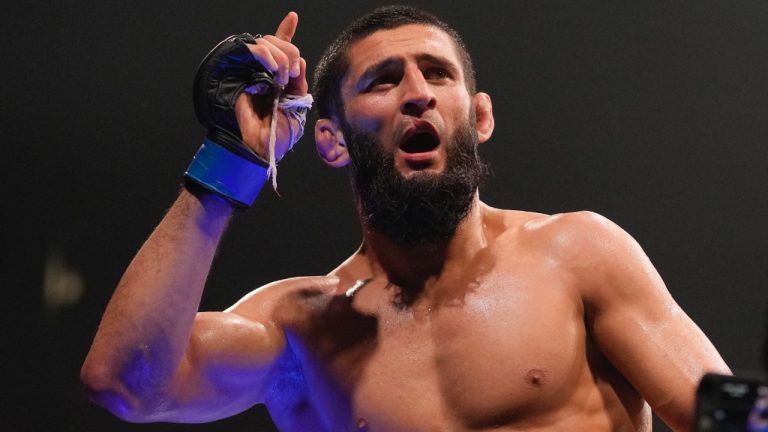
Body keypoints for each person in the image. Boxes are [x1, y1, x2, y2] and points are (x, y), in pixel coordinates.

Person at [81, 6, 731, 431]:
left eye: (437, 73)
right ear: (331, 140)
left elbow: (725, 418)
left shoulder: (579, 254)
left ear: (478, 117)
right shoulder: (304, 327)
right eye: (384, 80)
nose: (417, 92)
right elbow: (127, 385)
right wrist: (229, 164)